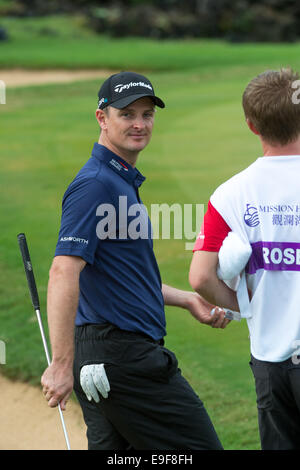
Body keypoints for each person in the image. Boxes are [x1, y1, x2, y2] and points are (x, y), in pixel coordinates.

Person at [41, 71, 227, 450]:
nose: (139, 124)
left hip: (105, 356)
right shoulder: (96, 184)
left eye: (147, 114)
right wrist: (61, 363)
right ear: (102, 118)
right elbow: (63, 271)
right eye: (127, 114)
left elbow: (122, 279)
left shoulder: (119, 181)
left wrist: (187, 298)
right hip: (123, 359)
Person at [189, 67, 300, 450]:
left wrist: (246, 307)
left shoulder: (230, 194)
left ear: (252, 126)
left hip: (272, 362)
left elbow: (201, 278)